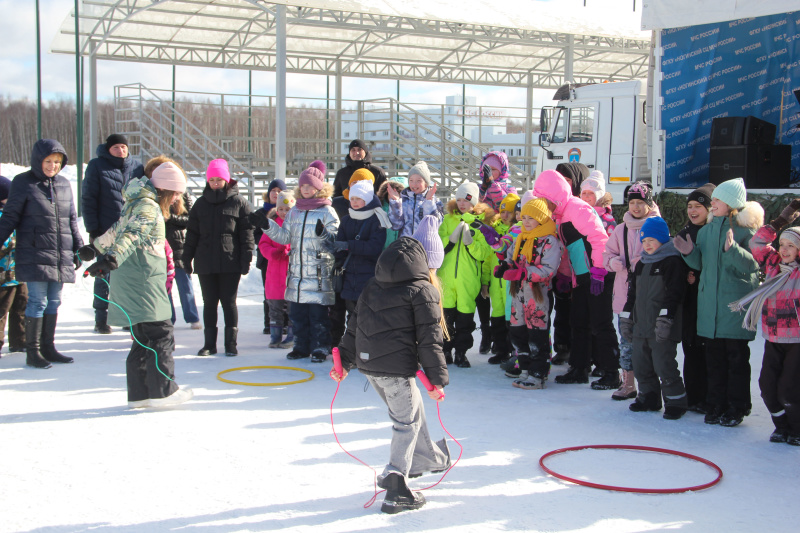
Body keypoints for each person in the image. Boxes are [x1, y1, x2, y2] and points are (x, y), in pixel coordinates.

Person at [331, 231, 450, 514]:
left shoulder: (373, 284)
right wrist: (436, 381)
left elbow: (353, 325)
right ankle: (396, 482)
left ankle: (425, 459)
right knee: (405, 422)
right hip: (396, 371)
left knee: (413, 411)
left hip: (371, 368)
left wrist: (346, 361)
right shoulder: (424, 291)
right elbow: (430, 340)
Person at [82, 161, 193, 408]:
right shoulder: (149, 207)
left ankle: (140, 394)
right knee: (160, 333)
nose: (177, 199)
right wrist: (111, 258)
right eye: (175, 193)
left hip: (132, 276)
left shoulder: (135, 202)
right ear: (165, 190)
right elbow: (133, 235)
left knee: (142, 337)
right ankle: (164, 392)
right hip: (144, 277)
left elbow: (117, 230)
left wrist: (95, 247)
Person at [673, 178, 763, 427]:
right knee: (714, 360)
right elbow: (700, 264)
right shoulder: (708, 230)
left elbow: (754, 266)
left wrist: (733, 250)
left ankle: (737, 406)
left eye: (717, 200)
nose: (712, 203)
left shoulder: (746, 231)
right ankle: (715, 404)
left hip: (734, 307)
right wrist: (689, 253)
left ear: (732, 203)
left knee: (736, 359)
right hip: (709, 308)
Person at [533, 169, 621, 390]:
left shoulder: (577, 208)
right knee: (578, 322)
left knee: (601, 323)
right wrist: (566, 276)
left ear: (554, 195)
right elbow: (567, 250)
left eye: (544, 199)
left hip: (598, 273)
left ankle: (612, 372)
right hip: (581, 276)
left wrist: (599, 271)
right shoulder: (559, 214)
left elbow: (599, 238)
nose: (543, 204)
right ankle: (579, 368)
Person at [0, 140, 83, 369]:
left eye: (57, 162)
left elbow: (71, 220)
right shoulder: (23, 183)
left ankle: (48, 347)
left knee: (54, 301)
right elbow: (9, 217)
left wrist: (78, 246)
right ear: (38, 160)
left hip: (60, 253)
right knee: (37, 301)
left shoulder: (65, 184)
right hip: (35, 251)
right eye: (48, 161)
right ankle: (33, 351)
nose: (52, 166)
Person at [256, 162, 339, 363]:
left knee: (318, 316)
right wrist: (266, 225)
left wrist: (324, 235)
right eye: (303, 186)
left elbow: (335, 240)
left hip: (318, 274)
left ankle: (320, 347)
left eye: (310, 186)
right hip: (298, 274)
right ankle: (300, 346)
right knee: (298, 315)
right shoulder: (295, 211)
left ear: (319, 188)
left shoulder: (328, 211)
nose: (307, 189)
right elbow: (285, 237)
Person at [741, 199, 800, 445]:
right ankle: (781, 426)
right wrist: (782, 220)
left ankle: (796, 429)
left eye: (791, 246)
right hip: (773, 337)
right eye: (782, 245)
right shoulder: (774, 264)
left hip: (796, 341)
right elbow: (756, 241)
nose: (784, 250)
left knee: (789, 389)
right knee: (767, 387)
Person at [183, 159, 254, 357]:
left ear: (226, 179)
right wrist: (186, 257)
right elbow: (192, 234)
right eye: (212, 179)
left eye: (219, 179)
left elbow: (246, 233)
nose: (215, 183)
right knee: (209, 302)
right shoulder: (200, 204)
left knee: (229, 303)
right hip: (205, 261)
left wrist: (246, 258)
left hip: (229, 261)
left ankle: (231, 344)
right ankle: (209, 344)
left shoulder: (238, 202)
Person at [619, 217, 688, 419]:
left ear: (663, 239)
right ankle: (648, 397)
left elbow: (675, 293)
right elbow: (632, 295)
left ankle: (675, 402)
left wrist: (666, 318)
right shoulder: (641, 264)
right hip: (641, 325)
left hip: (661, 326)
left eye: (652, 240)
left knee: (664, 364)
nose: (647, 244)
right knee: (641, 364)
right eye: (644, 240)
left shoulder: (671, 261)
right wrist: (626, 317)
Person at [496, 197, 563, 389]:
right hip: (519, 292)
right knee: (518, 331)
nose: (525, 221)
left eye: (530, 218)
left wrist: (526, 272)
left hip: (538, 293)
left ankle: (538, 373)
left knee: (537, 333)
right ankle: (524, 367)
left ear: (541, 219)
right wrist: (506, 266)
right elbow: (511, 257)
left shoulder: (549, 240)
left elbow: (549, 269)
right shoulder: (521, 237)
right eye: (523, 217)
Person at [603, 181, 661, 400]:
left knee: (648, 341)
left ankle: (650, 384)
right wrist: (615, 263)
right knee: (626, 339)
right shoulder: (621, 229)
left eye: (640, 202)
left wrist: (641, 262)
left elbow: (664, 254)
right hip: (624, 294)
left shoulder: (657, 225)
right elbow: (606, 255)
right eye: (632, 202)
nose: (635, 207)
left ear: (649, 202)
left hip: (649, 294)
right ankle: (628, 383)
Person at [82, 134, 145, 334]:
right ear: (108, 149)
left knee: (127, 276)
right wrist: (93, 230)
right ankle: (101, 319)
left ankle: (127, 317)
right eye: (116, 147)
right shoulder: (97, 166)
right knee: (103, 274)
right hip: (105, 231)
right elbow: (89, 199)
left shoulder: (136, 167)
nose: (121, 151)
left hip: (129, 232)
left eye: (124, 147)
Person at [438, 182, 494, 368]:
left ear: (474, 203)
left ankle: (461, 351)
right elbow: (438, 245)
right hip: (446, 278)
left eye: (467, 200)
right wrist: (450, 240)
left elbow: (484, 253)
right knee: (445, 318)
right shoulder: (447, 220)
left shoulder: (480, 224)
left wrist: (470, 242)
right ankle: (445, 350)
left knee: (465, 319)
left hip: (468, 280)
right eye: (459, 199)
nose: (462, 204)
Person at [143, 156, 201, 329]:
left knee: (185, 285)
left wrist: (168, 217)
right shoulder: (152, 197)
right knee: (163, 286)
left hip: (178, 245)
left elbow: (189, 219)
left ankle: (192, 317)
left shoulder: (182, 194)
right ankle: (169, 318)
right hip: (160, 246)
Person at [675, 183, 715, 413]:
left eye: (698, 206)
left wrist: (696, 275)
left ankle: (710, 395)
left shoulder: (712, 233)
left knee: (708, 351)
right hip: (689, 303)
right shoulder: (684, 233)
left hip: (708, 302)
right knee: (691, 349)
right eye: (690, 206)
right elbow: (675, 267)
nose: (693, 210)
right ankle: (694, 395)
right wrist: (685, 276)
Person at [334, 180, 389, 336]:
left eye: (358, 198)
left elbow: (374, 247)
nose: (354, 202)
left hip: (369, 276)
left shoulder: (377, 219)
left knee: (368, 318)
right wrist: (333, 247)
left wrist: (348, 245)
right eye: (352, 199)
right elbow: (340, 248)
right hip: (349, 275)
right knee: (351, 318)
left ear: (367, 199)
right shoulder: (346, 220)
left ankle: (366, 352)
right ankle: (351, 352)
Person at [258, 190, 294, 349]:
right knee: (275, 308)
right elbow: (263, 244)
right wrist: (273, 253)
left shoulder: (297, 225)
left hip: (291, 273)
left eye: (287, 209)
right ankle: (275, 336)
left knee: (293, 309)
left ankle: (293, 336)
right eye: (281, 209)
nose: (284, 213)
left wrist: (290, 251)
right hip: (274, 273)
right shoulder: (272, 224)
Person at [255, 178, 287, 334]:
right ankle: (270, 323)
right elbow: (256, 236)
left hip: (286, 261)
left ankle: (286, 323)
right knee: (270, 292)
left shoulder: (291, 219)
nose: (276, 193)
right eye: (273, 190)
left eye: (279, 191)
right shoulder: (262, 214)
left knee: (286, 293)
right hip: (267, 260)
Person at [0, 176, 27, 356]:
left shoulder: (17, 212)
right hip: (4, 275)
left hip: (20, 271)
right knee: (2, 309)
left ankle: (20, 340)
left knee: (21, 306)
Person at [387, 161, 443, 238]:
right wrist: (396, 203)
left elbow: (434, 226)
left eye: (418, 181)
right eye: (411, 180)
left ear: (426, 183)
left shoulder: (435, 201)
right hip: (405, 246)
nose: (414, 184)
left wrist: (429, 201)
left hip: (424, 246)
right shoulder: (404, 199)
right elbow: (396, 226)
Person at [580, 171, 616, 237]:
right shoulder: (578, 215)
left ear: (599, 196)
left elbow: (612, 243)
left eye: (591, 193)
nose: (586, 196)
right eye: (584, 193)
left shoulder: (607, 220)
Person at [377, 177, 407, 248]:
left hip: (402, 250)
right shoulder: (380, 210)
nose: (393, 195)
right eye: (391, 192)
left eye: (398, 192)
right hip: (382, 251)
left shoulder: (407, 211)